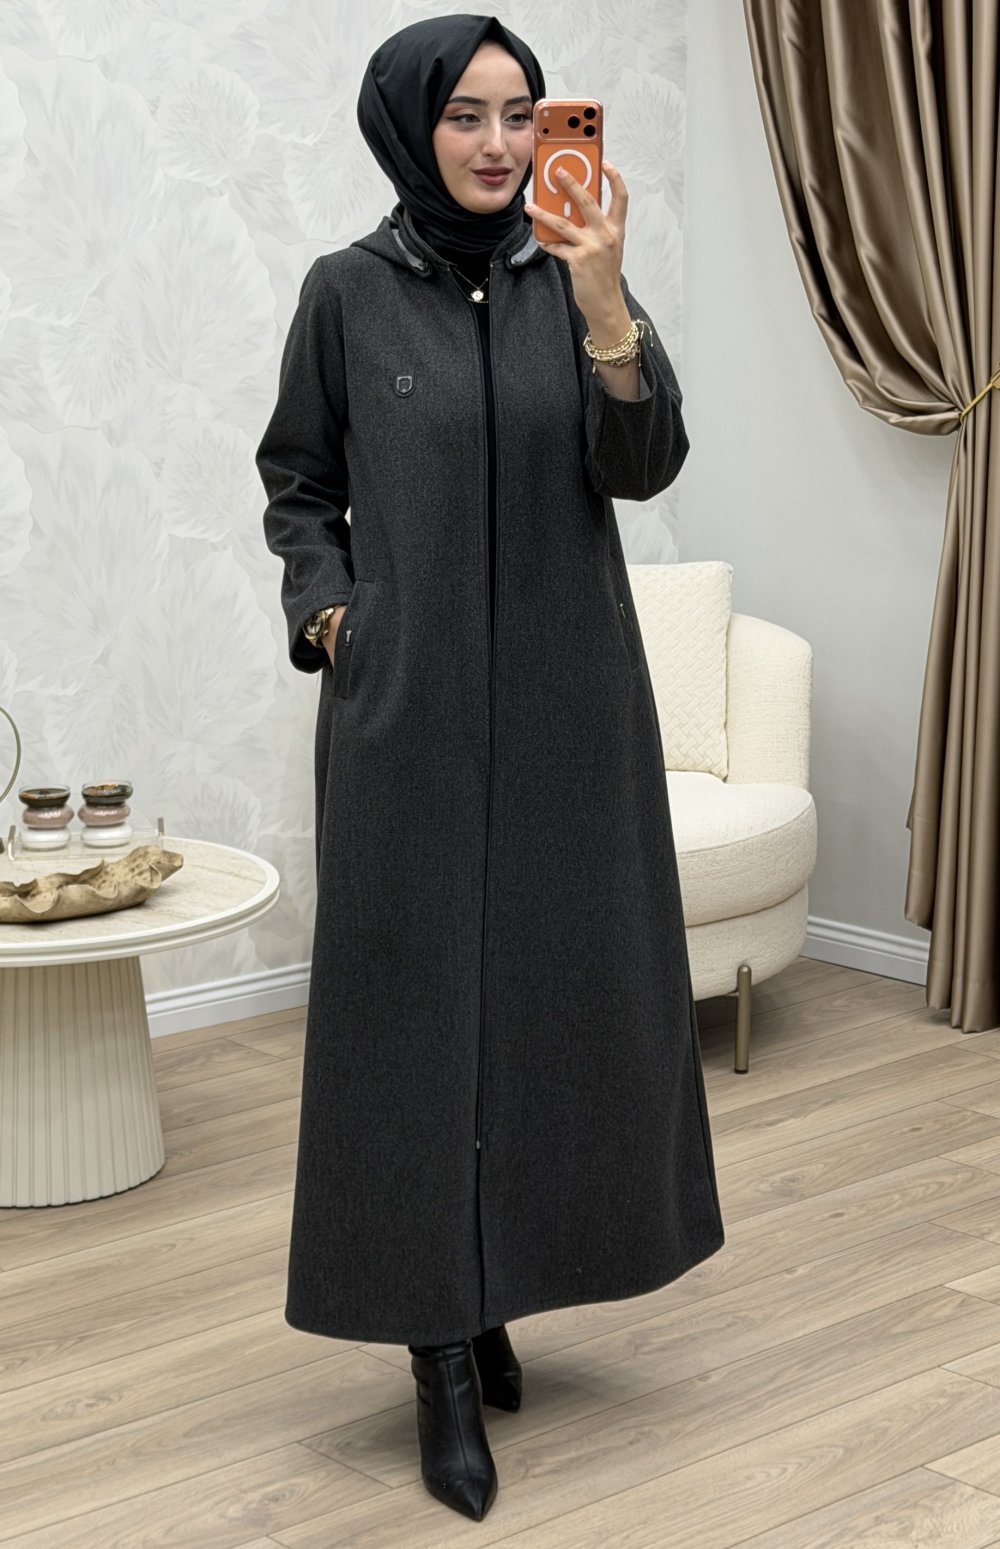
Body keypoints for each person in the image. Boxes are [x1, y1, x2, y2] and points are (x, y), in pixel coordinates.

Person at [255, 12, 725, 1525]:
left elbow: (641, 465)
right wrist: (334, 614)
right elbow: (299, 482)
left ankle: (498, 1285)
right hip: (407, 717)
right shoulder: (346, 293)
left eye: (521, 112)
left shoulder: (573, 275)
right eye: (465, 113)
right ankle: (438, 1350)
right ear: (411, 124)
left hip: (571, 712)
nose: (500, 142)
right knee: (409, 1025)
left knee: (549, 1007)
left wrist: (602, 299)